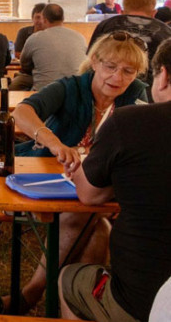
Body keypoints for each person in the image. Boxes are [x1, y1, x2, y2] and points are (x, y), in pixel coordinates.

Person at [11, 31, 148, 313]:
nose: (117, 78)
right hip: (47, 178)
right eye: (110, 67)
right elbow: (22, 112)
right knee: (92, 223)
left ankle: (49, 299)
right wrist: (54, 143)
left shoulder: (137, 94)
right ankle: (47, 298)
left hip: (94, 187)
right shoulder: (70, 87)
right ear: (95, 62)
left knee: (96, 227)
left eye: (128, 71)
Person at [59, 38, 171, 322]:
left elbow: (89, 195)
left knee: (69, 279)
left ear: (164, 75)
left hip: (139, 300)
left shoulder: (128, 122)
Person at [88, 0, 171, 89]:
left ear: (122, 11)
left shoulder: (106, 25)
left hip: (106, 86)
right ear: (154, 13)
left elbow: (90, 58)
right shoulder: (166, 31)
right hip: (149, 91)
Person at [17, 4, 87, 91]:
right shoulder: (80, 37)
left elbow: (24, 65)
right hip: (76, 92)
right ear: (63, 19)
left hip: (43, 94)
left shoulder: (35, 38)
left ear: (44, 20)